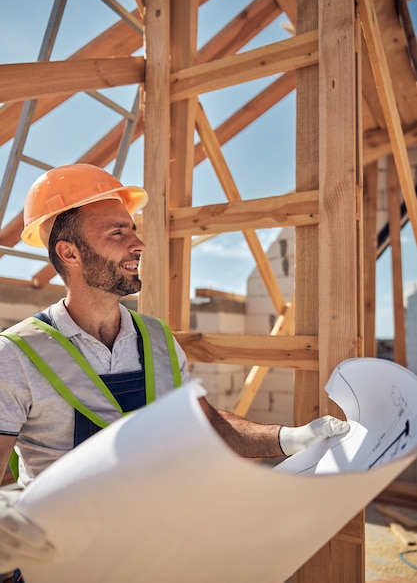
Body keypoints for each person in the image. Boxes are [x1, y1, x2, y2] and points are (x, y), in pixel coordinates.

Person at [0, 163, 350, 578]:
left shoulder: (157, 340)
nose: (139, 244)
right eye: (118, 233)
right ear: (69, 253)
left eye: (132, 229)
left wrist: (288, 438)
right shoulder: (17, 354)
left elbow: (204, 425)